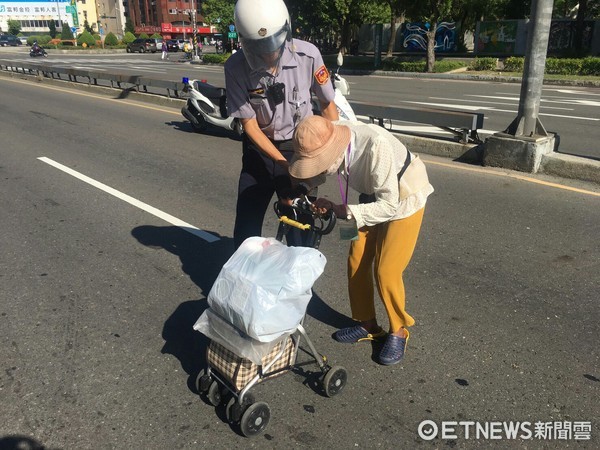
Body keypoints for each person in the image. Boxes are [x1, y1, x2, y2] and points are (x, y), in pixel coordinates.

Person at [288, 116, 434, 365]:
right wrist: (307, 195)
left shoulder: (376, 146)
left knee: (386, 270)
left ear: (332, 151)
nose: (317, 167)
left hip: (404, 197)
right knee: (355, 259)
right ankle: (368, 323)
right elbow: (325, 174)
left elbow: (388, 206)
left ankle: (398, 330)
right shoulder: (336, 137)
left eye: (318, 162)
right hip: (369, 197)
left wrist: (341, 210)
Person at [225, 0, 339, 249]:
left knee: (301, 227)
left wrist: (330, 154)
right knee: (246, 224)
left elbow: (328, 105)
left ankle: (299, 285)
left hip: (301, 149)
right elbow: (250, 125)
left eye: (272, 45)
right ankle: (247, 279)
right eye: (258, 47)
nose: (267, 54)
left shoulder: (308, 55)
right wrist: (280, 163)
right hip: (260, 150)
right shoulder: (235, 67)